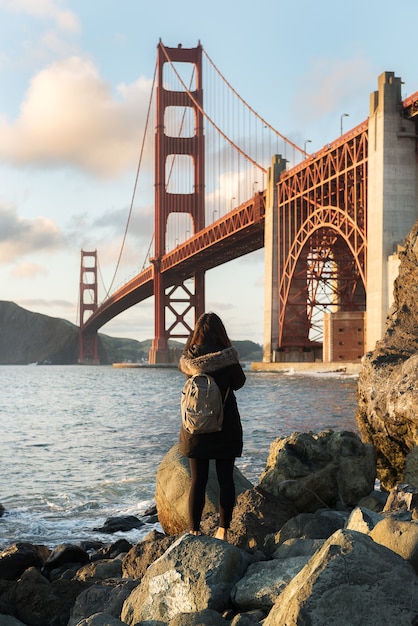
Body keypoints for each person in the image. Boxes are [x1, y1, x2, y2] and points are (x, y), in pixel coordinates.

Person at [178, 311, 246, 541]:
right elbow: (239, 383)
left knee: (198, 480)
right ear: (221, 333)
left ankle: (194, 530)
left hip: (195, 428)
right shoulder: (227, 359)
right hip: (224, 426)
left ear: (197, 333)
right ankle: (223, 530)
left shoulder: (189, 362)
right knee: (226, 478)